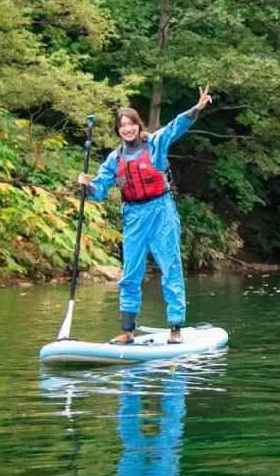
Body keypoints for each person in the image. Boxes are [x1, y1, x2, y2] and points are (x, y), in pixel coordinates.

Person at [77, 86, 212, 344]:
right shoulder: (114, 160)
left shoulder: (155, 144)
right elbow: (99, 191)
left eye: (131, 124)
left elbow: (175, 127)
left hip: (161, 211)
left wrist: (197, 108)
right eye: (122, 126)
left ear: (138, 126)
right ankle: (128, 330)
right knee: (130, 273)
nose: (127, 129)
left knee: (169, 267)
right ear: (118, 131)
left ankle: (175, 327)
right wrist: (86, 185)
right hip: (134, 216)